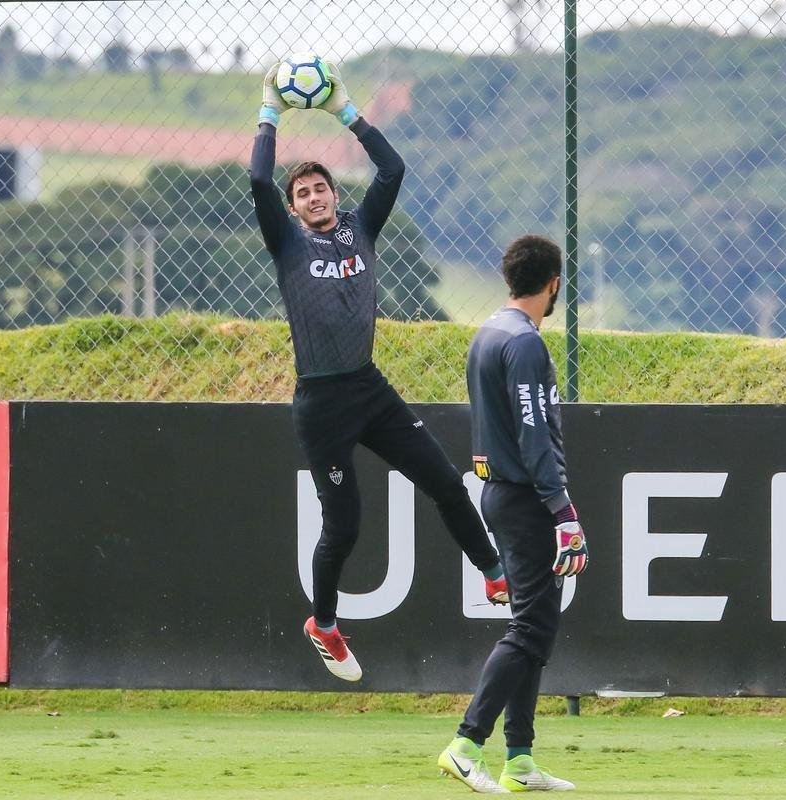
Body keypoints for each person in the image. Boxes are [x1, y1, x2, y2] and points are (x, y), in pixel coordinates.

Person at [249, 61, 508, 682]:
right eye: (303, 193)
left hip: (369, 388)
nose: (314, 197)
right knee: (345, 526)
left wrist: (347, 113)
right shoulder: (287, 243)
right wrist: (270, 112)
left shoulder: (362, 228)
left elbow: (393, 170)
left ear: (337, 196)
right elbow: (259, 178)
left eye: (322, 189)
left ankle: (496, 576)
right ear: (294, 207)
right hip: (321, 403)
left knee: (446, 482)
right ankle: (325, 624)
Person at [437, 235, 587, 793]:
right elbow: (533, 435)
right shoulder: (524, 343)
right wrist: (563, 510)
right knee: (529, 627)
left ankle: (520, 758)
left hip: (502, 492)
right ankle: (466, 743)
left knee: (537, 625)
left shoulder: (489, 332)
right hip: (524, 498)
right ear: (553, 285)